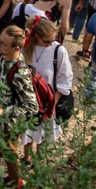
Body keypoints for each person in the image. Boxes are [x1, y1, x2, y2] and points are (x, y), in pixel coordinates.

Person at [22, 17, 73, 153]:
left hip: (48, 101)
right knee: (27, 130)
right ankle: (27, 157)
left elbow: (65, 79)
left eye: (53, 40)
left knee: (43, 132)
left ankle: (38, 161)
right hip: (28, 99)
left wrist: (51, 106)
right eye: (47, 41)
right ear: (36, 36)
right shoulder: (25, 47)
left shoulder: (58, 51)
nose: (51, 44)